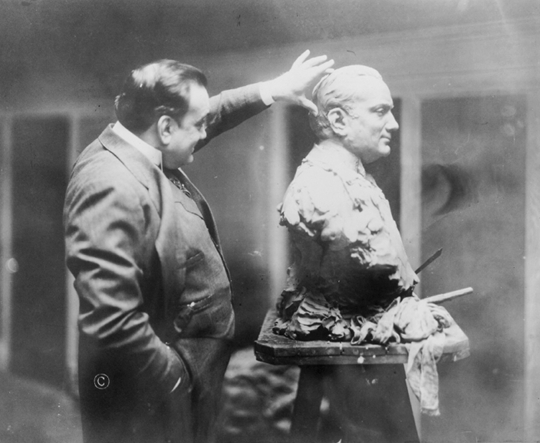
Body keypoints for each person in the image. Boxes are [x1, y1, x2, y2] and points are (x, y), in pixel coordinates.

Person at [63, 51, 333, 443]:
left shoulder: (143, 143)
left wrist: (273, 90)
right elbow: (111, 319)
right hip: (151, 398)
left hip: (179, 390)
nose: (206, 131)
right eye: (199, 124)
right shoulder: (110, 184)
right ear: (166, 127)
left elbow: (208, 114)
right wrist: (178, 377)